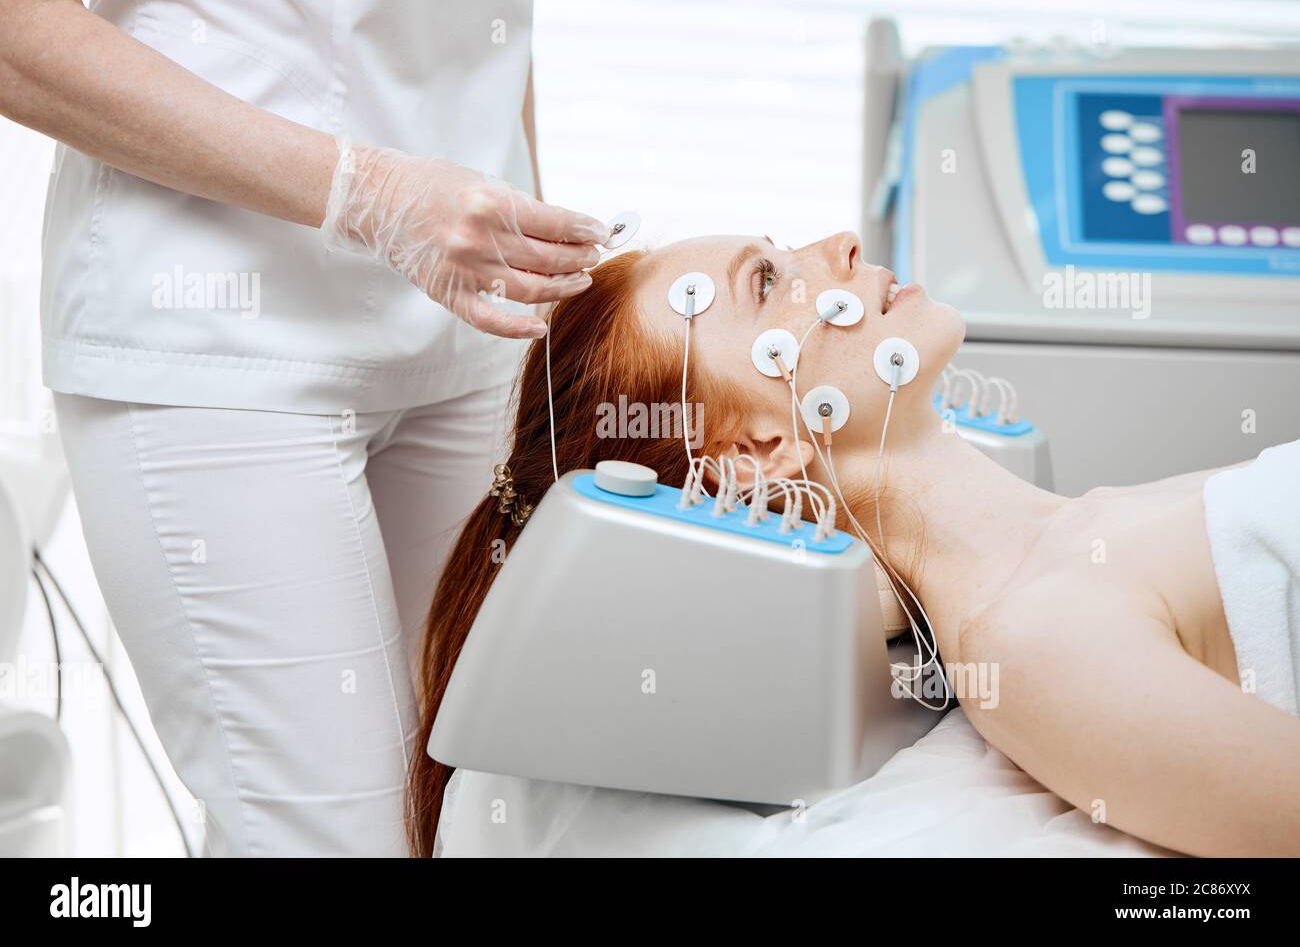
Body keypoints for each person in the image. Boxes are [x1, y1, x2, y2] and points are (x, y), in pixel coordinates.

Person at [409, 234, 1300, 858]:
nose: (837, 245)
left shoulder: (1076, 546)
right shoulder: (1030, 648)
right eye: (765, 282)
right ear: (757, 450)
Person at [0, 0, 607, 855]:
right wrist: (366, 191)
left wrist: (534, 272)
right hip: (216, 323)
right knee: (336, 838)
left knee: (484, 822)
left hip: (466, 316)